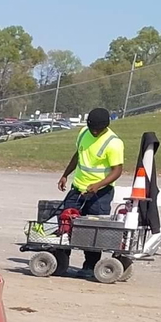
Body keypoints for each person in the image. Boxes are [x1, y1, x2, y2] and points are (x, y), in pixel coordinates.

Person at [56, 107, 123, 270]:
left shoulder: (113, 143)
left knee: (93, 231)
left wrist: (98, 185)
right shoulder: (84, 133)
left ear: (105, 126)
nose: (94, 132)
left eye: (97, 130)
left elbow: (117, 170)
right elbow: (78, 155)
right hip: (78, 188)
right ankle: (61, 262)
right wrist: (65, 174)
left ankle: (89, 266)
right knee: (66, 224)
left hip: (100, 194)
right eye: (92, 128)